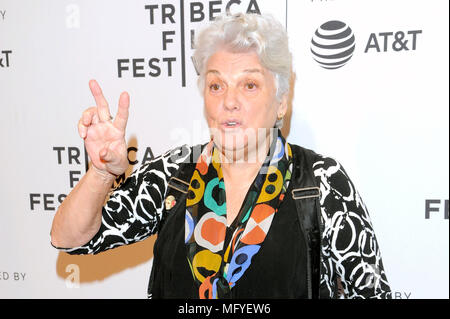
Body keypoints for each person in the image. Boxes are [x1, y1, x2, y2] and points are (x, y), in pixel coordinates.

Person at [50, 13, 391, 299]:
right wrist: (99, 172)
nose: (229, 101)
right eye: (216, 85)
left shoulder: (321, 182)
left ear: (282, 102)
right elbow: (70, 239)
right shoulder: (175, 173)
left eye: (249, 85)